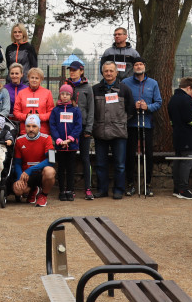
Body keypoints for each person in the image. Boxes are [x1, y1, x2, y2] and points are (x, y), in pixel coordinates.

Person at [92, 61, 135, 199]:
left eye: (111, 71)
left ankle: (118, 190)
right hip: (100, 132)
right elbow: (91, 111)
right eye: (106, 71)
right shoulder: (95, 89)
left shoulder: (124, 89)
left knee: (120, 164)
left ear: (116, 72)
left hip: (119, 132)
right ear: (102, 72)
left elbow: (131, 110)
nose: (109, 73)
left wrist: (120, 122)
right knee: (100, 164)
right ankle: (102, 190)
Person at [125, 58, 162, 197]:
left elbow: (158, 102)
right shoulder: (126, 83)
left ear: (144, 66)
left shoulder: (153, 83)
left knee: (148, 155)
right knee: (129, 155)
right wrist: (132, 106)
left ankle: (147, 184)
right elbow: (122, 102)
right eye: (136, 65)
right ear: (133, 67)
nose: (138, 66)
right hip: (131, 124)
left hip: (147, 124)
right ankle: (130, 184)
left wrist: (148, 107)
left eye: (140, 64)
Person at [8, 114, 56, 207]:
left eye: (34, 126)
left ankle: (43, 195)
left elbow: (52, 160)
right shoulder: (19, 140)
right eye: (28, 126)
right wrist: (19, 179)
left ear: (39, 127)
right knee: (17, 190)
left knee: (50, 171)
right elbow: (17, 163)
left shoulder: (47, 138)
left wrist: (30, 169)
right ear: (24, 127)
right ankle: (33, 190)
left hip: (41, 173)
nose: (31, 129)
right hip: (27, 175)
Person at [64, 59, 95, 199]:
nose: (72, 72)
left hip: (83, 128)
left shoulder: (88, 88)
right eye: (70, 70)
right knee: (70, 158)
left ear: (81, 71)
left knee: (85, 158)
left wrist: (89, 129)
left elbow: (91, 109)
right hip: (69, 128)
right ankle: (70, 188)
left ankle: (88, 188)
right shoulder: (66, 85)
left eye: (75, 70)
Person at [168, 76, 192, 199]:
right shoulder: (185, 99)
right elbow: (190, 119)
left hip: (177, 134)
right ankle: (183, 189)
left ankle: (177, 188)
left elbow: (172, 119)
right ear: (188, 88)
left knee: (178, 161)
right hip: (187, 136)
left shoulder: (173, 99)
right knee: (186, 163)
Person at [49, 84, 83, 201]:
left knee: (70, 169)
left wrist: (70, 139)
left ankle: (70, 189)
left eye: (67, 94)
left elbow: (78, 126)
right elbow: (52, 126)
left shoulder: (75, 109)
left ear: (71, 96)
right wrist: (58, 140)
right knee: (61, 168)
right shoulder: (55, 110)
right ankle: (62, 190)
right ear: (60, 95)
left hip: (72, 145)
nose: (64, 96)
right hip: (60, 144)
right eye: (62, 94)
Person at [12, 67, 55, 135]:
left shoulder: (47, 93)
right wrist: (26, 116)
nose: (34, 80)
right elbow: (16, 111)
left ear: (41, 80)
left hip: (42, 130)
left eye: (37, 78)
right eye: (32, 77)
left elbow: (51, 112)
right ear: (28, 78)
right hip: (25, 130)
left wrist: (40, 117)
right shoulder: (21, 93)